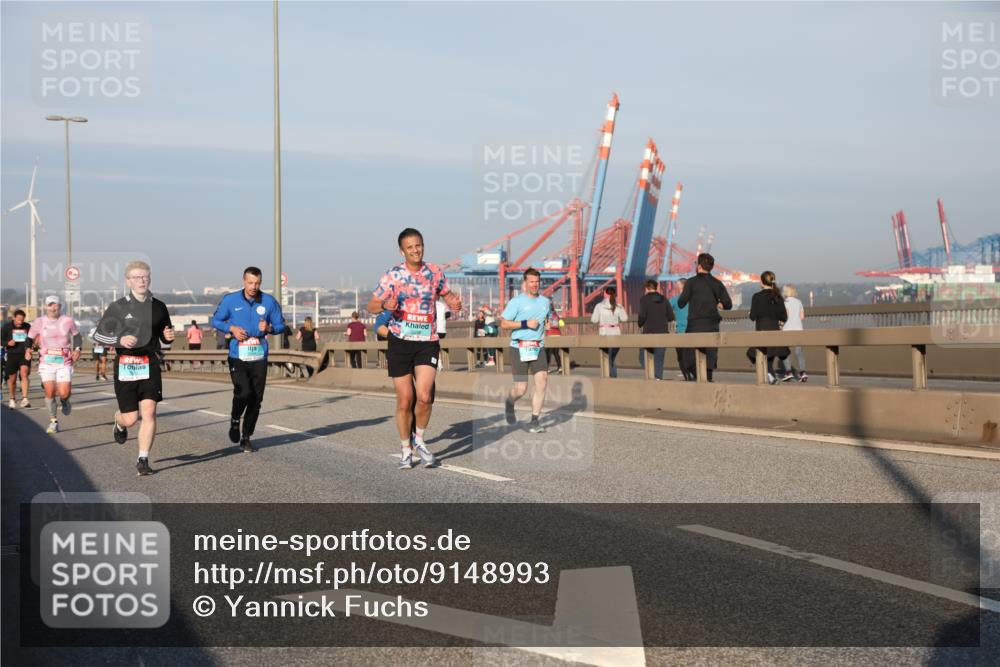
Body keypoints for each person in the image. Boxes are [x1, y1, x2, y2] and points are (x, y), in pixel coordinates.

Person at [367, 227, 461, 470]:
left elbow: (447, 294)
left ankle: (419, 440)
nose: (415, 250)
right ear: (402, 251)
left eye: (418, 245)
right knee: (404, 400)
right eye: (410, 247)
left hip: (427, 341)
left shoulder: (434, 272)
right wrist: (384, 305)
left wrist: (454, 301)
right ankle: (405, 449)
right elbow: (372, 305)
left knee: (425, 396)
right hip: (400, 341)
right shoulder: (393, 276)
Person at [95, 261, 176, 476]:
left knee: (149, 412)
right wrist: (120, 339)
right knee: (131, 418)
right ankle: (119, 422)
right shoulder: (118, 307)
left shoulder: (159, 306)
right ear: (128, 280)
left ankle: (143, 459)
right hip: (126, 366)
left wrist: (167, 338)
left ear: (149, 279)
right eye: (137, 277)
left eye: (145, 277)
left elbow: (165, 335)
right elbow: (98, 335)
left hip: (149, 364)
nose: (142, 280)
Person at [211, 266, 286, 453]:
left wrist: (269, 328)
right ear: (244, 281)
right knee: (243, 392)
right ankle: (235, 420)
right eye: (250, 282)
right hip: (238, 355)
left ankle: (246, 436)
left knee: (256, 398)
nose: (254, 286)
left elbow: (281, 325)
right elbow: (216, 320)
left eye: (257, 283)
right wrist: (232, 329)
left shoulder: (269, 302)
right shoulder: (231, 300)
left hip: (259, 355)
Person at [500, 268, 551, 432]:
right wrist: (524, 324)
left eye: (537, 282)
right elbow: (504, 323)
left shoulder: (545, 302)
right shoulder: (517, 302)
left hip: (538, 346)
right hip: (518, 347)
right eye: (531, 282)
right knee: (521, 388)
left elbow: (546, 318)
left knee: (542, 380)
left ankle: (534, 421)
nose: (535, 285)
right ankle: (510, 402)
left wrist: (548, 324)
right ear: (525, 283)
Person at [27, 296, 81, 433]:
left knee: (64, 393)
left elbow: (76, 335)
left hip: (64, 361)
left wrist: (77, 349)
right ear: (45, 307)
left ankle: (65, 401)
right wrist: (27, 349)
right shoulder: (39, 322)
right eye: (50, 305)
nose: (53, 307)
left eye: (55, 305)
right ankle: (53, 421)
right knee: (50, 391)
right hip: (46, 362)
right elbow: (30, 338)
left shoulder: (67, 320)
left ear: (60, 306)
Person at [677, 253, 733, 382]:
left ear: (700, 266)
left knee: (690, 358)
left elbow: (681, 303)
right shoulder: (717, 283)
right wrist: (720, 304)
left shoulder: (691, 282)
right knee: (709, 357)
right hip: (711, 325)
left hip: (694, 325)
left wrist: (689, 296)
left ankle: (696, 380)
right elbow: (728, 304)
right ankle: (708, 382)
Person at [747, 271, 790, 384]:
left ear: (762, 282)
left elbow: (753, 316)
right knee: (769, 357)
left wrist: (749, 313)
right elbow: (784, 317)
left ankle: (770, 375)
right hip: (774, 330)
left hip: (762, 328)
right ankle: (770, 376)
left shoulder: (756, 297)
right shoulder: (778, 297)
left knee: (753, 354)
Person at [637, 279, 675, 380]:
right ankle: (658, 378)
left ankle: (651, 374)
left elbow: (642, 316)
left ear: (647, 288)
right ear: (656, 287)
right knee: (659, 358)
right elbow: (671, 316)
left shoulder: (644, 300)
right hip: (662, 332)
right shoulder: (664, 299)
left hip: (648, 332)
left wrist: (640, 324)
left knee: (642, 357)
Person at [590, 286, 628, 378]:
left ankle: (610, 378)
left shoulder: (599, 306)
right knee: (611, 358)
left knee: (607, 359)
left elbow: (594, 320)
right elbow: (625, 318)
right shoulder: (619, 306)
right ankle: (612, 377)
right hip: (616, 334)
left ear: (605, 294)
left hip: (604, 334)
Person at [2, 309, 32, 408]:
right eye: (18, 320)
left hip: (24, 354)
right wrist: (7, 343)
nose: (20, 322)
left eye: (22, 320)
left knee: (24, 374)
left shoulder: (28, 326)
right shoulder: (6, 327)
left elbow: (31, 339)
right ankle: (12, 398)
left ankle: (25, 399)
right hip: (11, 355)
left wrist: (30, 348)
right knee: (12, 379)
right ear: (14, 318)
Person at [782, 284, 808, 382]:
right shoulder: (799, 302)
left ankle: (788, 372)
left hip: (787, 329)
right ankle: (803, 372)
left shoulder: (785, 302)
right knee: (799, 352)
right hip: (798, 329)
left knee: (786, 352)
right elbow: (802, 317)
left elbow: (785, 316)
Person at [669, 279, 693, 380]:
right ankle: (696, 374)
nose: (676, 286)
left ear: (682, 286)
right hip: (693, 331)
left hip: (681, 331)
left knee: (681, 357)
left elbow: (666, 309)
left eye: (678, 285)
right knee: (692, 355)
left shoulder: (675, 299)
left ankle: (687, 376)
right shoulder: (694, 298)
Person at [544, 308, 564, 373]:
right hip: (557, 335)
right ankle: (560, 367)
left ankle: (547, 368)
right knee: (556, 353)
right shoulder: (556, 316)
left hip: (550, 335)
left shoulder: (547, 316)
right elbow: (560, 324)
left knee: (547, 353)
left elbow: (547, 327)